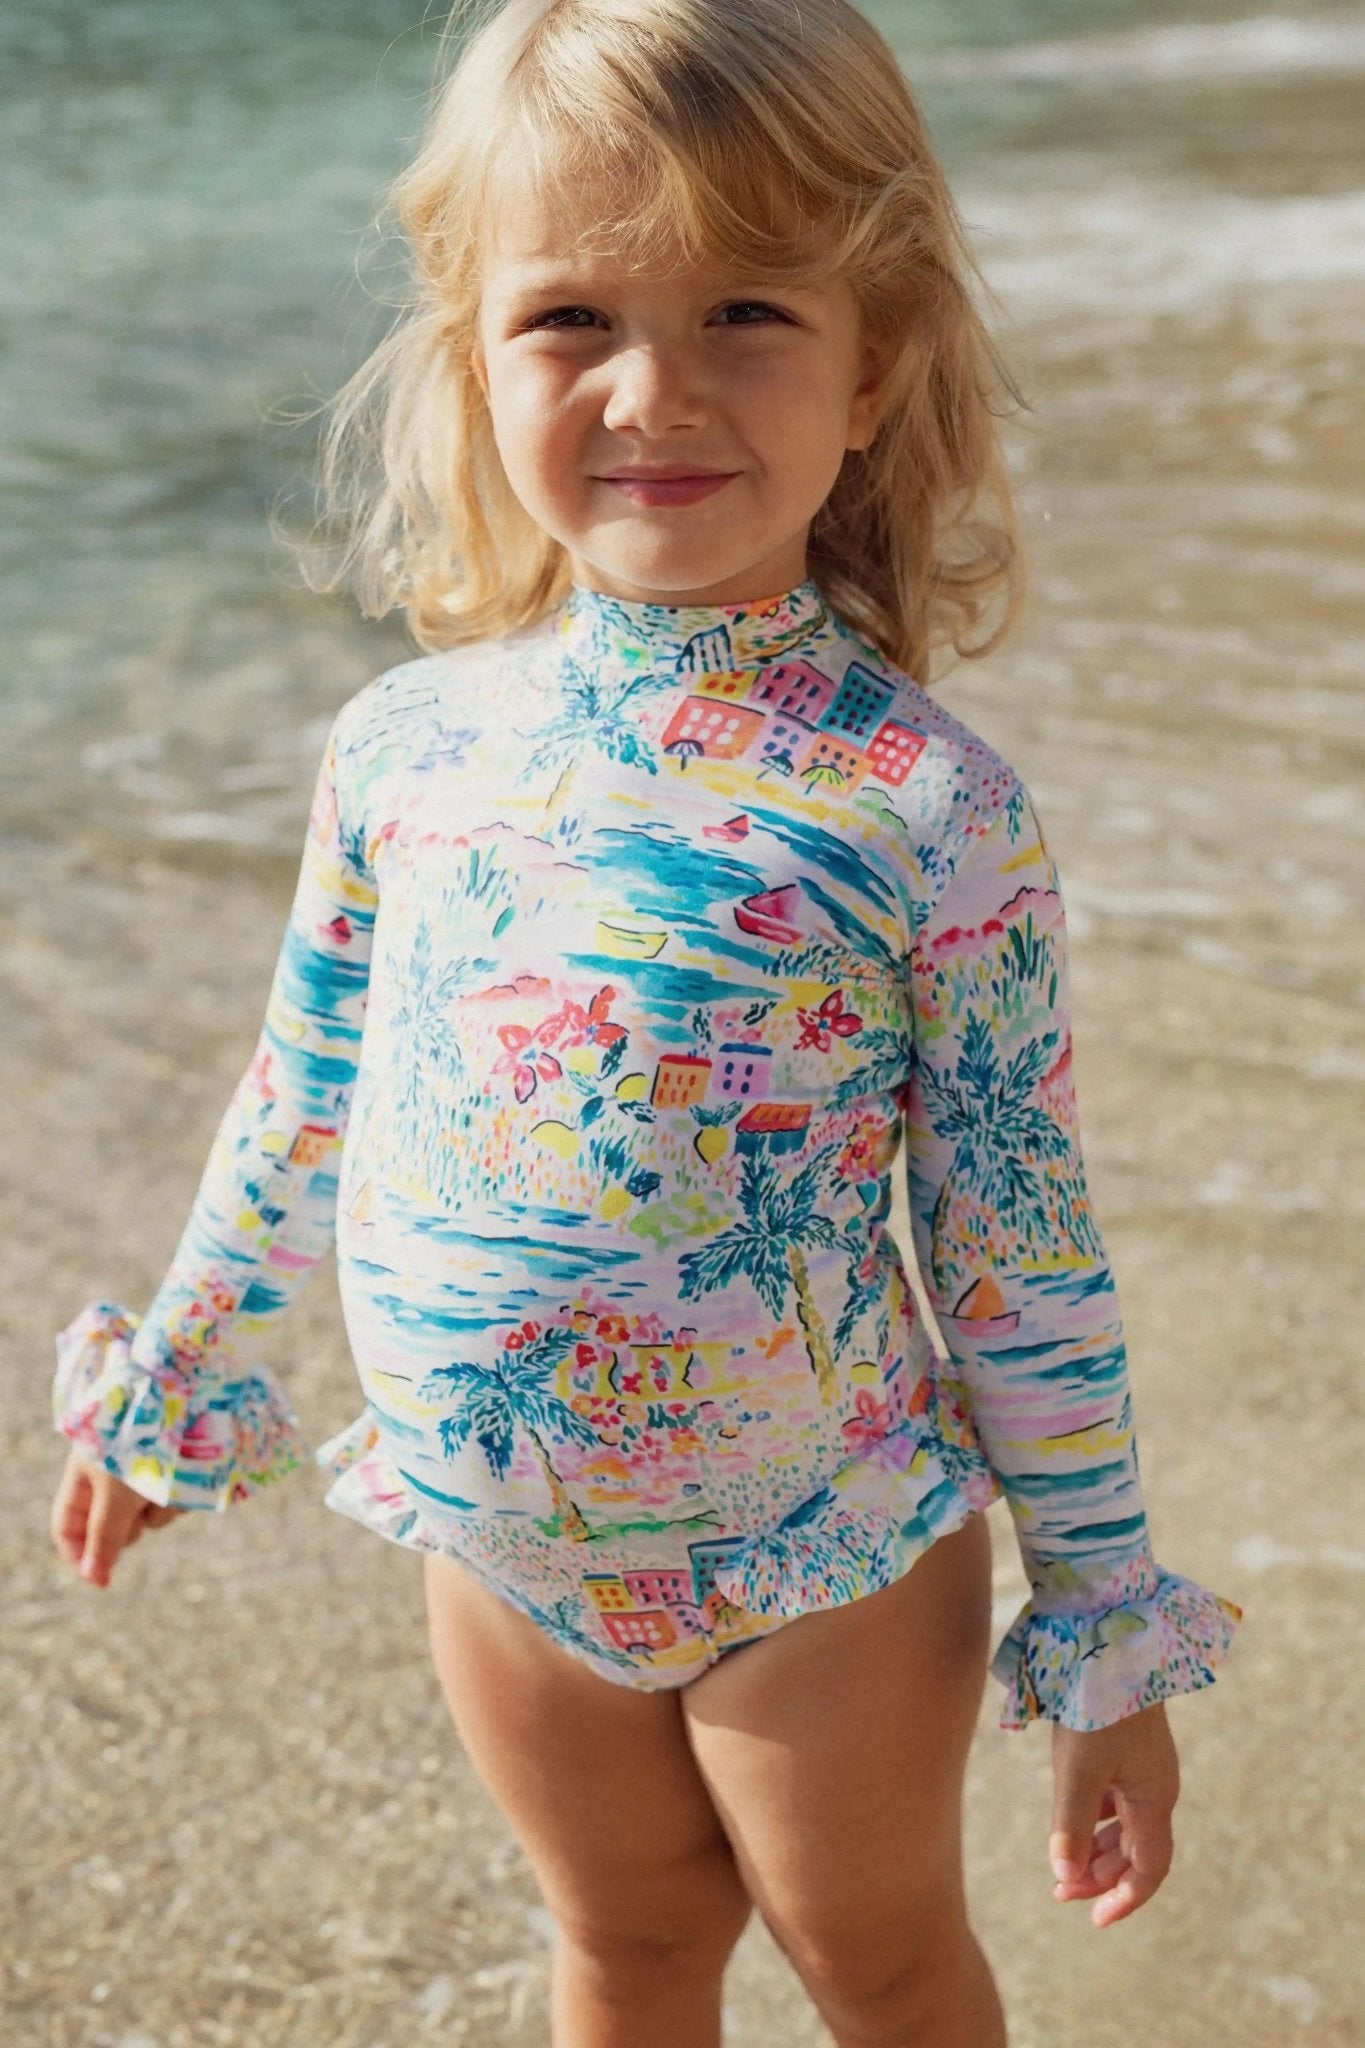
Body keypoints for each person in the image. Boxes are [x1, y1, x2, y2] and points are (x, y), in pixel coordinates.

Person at [49, 2, 1245, 2042]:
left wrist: (1105, 1628)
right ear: (471, 351)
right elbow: (305, 1082)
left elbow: (1013, 1244)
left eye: (747, 312)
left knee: (872, 1962)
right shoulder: (403, 746)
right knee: (616, 1952)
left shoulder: (919, 807)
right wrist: (184, 1362)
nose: (650, 390)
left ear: (873, 366)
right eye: (570, 317)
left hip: (825, 1553)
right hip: (497, 1538)